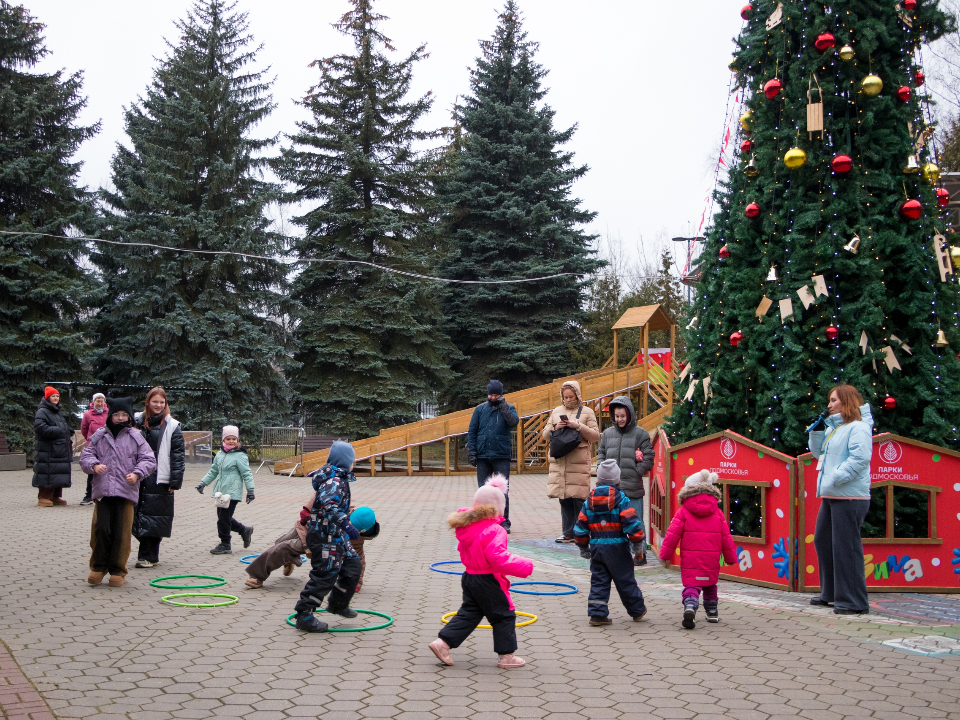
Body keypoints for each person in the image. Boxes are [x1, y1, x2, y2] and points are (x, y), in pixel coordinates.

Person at [428, 475, 533, 669]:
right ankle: (506, 656)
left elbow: (464, 551)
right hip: (488, 579)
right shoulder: (495, 530)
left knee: (470, 612)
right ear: (498, 508)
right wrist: (524, 565)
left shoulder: (468, 528)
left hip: (470, 576)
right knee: (504, 614)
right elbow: (497, 557)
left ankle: (442, 643)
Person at [808, 384, 873, 615]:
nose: (829, 405)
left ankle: (853, 601)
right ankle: (832, 593)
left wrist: (837, 477)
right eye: (829, 400)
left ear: (846, 401)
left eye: (834, 400)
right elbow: (820, 455)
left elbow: (860, 458)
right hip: (832, 493)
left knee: (846, 547)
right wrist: (816, 432)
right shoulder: (835, 428)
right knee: (823, 541)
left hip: (850, 496)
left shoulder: (859, 428)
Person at [79, 397, 157, 587]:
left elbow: (149, 460)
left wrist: (137, 474)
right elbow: (86, 455)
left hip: (126, 491)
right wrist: (94, 465)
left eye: (124, 415)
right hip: (104, 492)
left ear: (129, 417)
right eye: (116, 414)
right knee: (100, 529)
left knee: (122, 533)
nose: (120, 418)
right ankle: (98, 567)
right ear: (110, 416)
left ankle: (117, 570)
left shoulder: (136, 436)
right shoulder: (100, 435)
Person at [292, 441, 364, 632]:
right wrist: (346, 523)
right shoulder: (335, 481)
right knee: (324, 576)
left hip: (337, 536)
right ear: (345, 461)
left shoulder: (339, 478)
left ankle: (337, 604)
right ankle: (304, 614)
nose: (353, 464)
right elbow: (329, 504)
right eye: (352, 461)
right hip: (325, 538)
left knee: (353, 567)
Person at [658, 469, 737, 629]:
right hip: (711, 559)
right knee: (710, 584)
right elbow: (726, 537)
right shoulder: (718, 513)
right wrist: (730, 558)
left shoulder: (683, 511)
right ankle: (712, 612)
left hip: (690, 559)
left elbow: (672, 534)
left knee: (692, 584)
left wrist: (665, 554)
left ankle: (690, 606)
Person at [573, 459, 647, 626]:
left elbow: (580, 526)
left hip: (598, 548)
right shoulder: (621, 499)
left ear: (598, 479)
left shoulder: (589, 501)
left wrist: (583, 546)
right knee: (625, 579)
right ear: (617, 480)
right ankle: (637, 610)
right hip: (618, 547)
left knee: (599, 580)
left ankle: (597, 614)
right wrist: (637, 545)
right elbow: (633, 523)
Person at [597, 396, 654, 565]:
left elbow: (649, 456)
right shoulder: (607, 434)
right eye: (617, 416)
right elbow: (601, 452)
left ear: (629, 415)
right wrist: (601, 468)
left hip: (632, 486)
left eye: (622, 416)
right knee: (614, 523)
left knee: (635, 521)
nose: (619, 419)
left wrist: (638, 471)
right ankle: (618, 553)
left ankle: (640, 554)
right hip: (611, 488)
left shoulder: (641, 434)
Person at [541, 380, 600, 543]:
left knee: (579, 499)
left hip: (578, 461)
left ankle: (581, 533)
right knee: (564, 497)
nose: (568, 400)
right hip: (560, 461)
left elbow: (595, 436)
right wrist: (556, 427)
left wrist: (578, 426)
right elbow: (545, 434)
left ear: (577, 395)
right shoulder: (556, 411)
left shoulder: (587, 412)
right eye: (565, 397)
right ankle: (567, 533)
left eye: (571, 397)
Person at [134, 387, 185, 568]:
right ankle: (146, 554)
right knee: (137, 515)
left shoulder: (172, 426)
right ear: (148, 402)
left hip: (160, 477)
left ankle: (148, 556)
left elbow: (177, 455)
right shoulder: (136, 421)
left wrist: (175, 480)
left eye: (162, 402)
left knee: (155, 518)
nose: (158, 405)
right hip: (137, 475)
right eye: (155, 401)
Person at [467, 380, 519, 532]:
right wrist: (472, 452)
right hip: (483, 455)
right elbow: (472, 431)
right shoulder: (480, 410)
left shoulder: (508, 408)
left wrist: (503, 407)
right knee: (482, 491)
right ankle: (483, 521)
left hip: (501, 455)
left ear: (501, 395)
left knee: (503, 491)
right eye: (491, 394)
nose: (493, 397)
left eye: (496, 395)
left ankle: (504, 521)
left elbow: (513, 422)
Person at [196, 426, 255, 554]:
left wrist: (250, 490)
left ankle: (225, 544)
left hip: (232, 493)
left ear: (237, 440)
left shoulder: (240, 456)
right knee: (224, 518)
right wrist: (203, 483)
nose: (231, 441)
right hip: (220, 492)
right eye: (228, 439)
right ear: (223, 440)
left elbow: (247, 473)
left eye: (234, 439)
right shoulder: (220, 454)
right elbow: (213, 471)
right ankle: (244, 530)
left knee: (223, 519)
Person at [32, 386, 73, 507]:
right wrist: (58, 430)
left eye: (57, 396)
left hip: (58, 450)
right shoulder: (42, 411)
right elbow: (40, 428)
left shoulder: (56, 411)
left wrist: (67, 430)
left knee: (57, 472)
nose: (55, 398)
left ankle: (55, 496)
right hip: (48, 450)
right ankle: (44, 497)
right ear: (47, 398)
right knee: (48, 472)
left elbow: (60, 427)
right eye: (53, 396)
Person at [79, 393, 108, 505]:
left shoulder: (109, 414)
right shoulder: (88, 415)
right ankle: (89, 495)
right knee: (92, 470)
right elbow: (84, 430)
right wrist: (90, 440)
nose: (100, 403)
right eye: (97, 401)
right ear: (93, 402)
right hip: (93, 446)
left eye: (101, 401)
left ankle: (104, 494)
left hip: (106, 446)